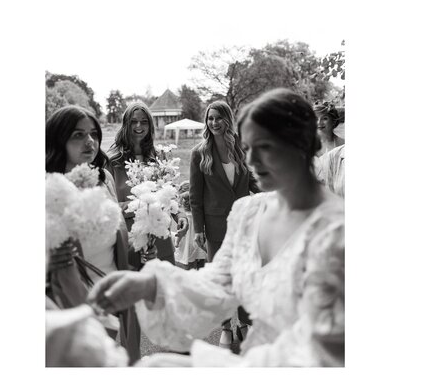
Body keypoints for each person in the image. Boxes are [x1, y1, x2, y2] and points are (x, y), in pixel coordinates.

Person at [89, 89, 344, 367]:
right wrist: (150, 284)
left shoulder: (337, 231)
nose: (252, 162)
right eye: (248, 148)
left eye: (266, 147)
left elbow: (329, 347)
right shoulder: (249, 213)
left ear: (303, 145)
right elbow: (216, 284)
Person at [45, 105, 139, 363]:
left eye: (93, 134)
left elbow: (115, 235)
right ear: (58, 139)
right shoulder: (48, 188)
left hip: (111, 295)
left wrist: (139, 246)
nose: (90, 141)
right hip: (69, 302)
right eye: (78, 135)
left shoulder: (104, 178)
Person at [190, 101, 259, 349]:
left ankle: (243, 323)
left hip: (242, 224)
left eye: (219, 118)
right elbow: (196, 197)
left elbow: (252, 179)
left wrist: (273, 193)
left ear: (228, 119)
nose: (214, 123)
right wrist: (198, 229)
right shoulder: (199, 152)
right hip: (215, 225)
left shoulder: (240, 147)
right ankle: (226, 328)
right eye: (210, 118)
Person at [106, 103, 175, 266]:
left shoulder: (159, 157)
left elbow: (169, 193)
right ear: (125, 125)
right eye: (133, 121)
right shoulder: (111, 161)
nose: (139, 126)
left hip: (159, 234)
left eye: (144, 121)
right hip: (130, 236)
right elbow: (107, 206)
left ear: (150, 125)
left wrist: (180, 216)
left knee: (162, 286)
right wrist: (137, 206)